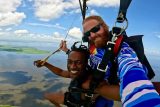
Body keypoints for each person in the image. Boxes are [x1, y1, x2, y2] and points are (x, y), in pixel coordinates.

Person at [82, 15, 160, 107]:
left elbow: (130, 68)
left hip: (104, 94)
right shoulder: (93, 47)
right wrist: (67, 51)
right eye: (87, 34)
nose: (92, 35)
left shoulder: (123, 49)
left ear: (105, 26)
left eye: (95, 29)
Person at [34, 41, 114, 107]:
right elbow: (60, 72)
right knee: (49, 96)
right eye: (69, 62)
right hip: (73, 99)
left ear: (86, 63)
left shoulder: (92, 82)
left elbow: (115, 93)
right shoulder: (77, 72)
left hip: (85, 104)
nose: (72, 67)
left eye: (78, 62)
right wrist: (45, 64)